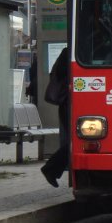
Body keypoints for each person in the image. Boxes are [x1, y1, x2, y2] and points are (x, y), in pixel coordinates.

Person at [41, 48, 69, 188]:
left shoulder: (66, 53)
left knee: (74, 142)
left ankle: (51, 169)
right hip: (69, 103)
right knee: (76, 143)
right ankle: (50, 169)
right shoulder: (72, 53)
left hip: (66, 103)